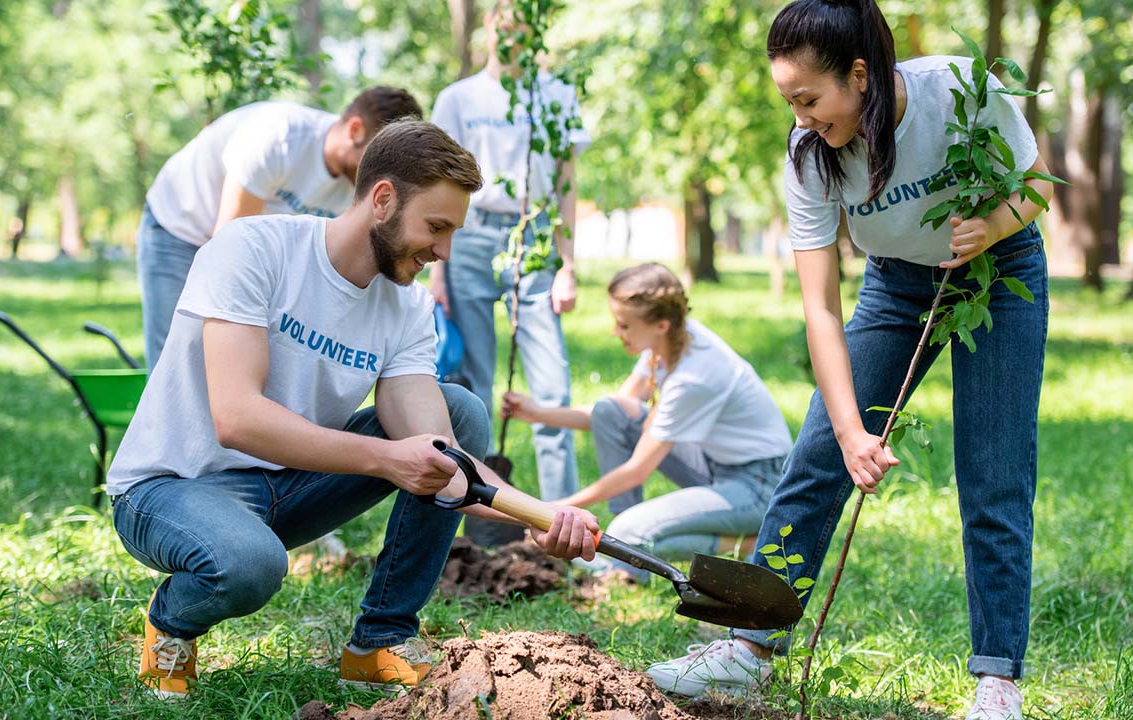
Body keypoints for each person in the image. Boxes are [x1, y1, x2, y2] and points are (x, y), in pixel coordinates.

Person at [647, 2, 1055, 718]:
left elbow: (1038, 187)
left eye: (809, 99)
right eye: (789, 102)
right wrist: (848, 432)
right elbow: (821, 308)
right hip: (897, 282)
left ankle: (998, 681)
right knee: (812, 459)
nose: (800, 117)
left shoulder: (962, 93)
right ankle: (749, 649)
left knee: (994, 470)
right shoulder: (809, 153)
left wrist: (988, 228)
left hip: (997, 271)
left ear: (860, 75)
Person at [106, 121, 599, 700]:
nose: (443, 252)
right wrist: (388, 459)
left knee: (459, 409)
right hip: (170, 489)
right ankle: (171, 625)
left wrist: (540, 518)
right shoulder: (254, 248)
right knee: (249, 564)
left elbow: (444, 458)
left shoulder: (408, 307)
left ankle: (379, 643)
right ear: (383, 199)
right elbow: (236, 417)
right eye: (436, 227)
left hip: (287, 489)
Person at [501, 263, 792, 578]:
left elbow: (636, 471)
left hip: (757, 487)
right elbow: (611, 413)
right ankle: (624, 548)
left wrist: (559, 508)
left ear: (661, 325)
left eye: (624, 325)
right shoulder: (666, 343)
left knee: (632, 530)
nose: (616, 332)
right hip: (714, 465)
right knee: (610, 411)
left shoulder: (694, 376)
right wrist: (538, 414)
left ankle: (740, 545)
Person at [138, 86, 422, 369]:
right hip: (180, 225)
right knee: (178, 355)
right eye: (378, 158)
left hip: (239, 242)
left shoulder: (362, 184)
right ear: (355, 130)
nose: (381, 174)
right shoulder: (280, 136)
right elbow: (228, 245)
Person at [428, 2, 589, 501]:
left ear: (536, 30)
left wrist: (567, 263)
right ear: (489, 28)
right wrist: (437, 269)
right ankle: (470, 504)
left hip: (534, 236)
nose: (512, 35)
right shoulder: (458, 98)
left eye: (524, 26)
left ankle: (562, 514)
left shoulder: (557, 96)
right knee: (472, 383)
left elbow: (565, 182)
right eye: (504, 24)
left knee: (550, 386)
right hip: (469, 235)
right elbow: (438, 180)